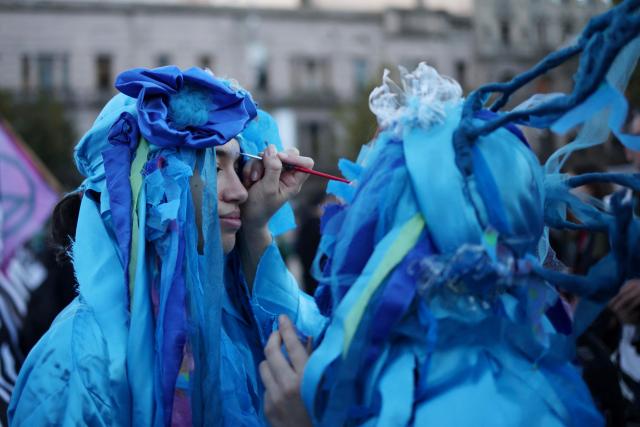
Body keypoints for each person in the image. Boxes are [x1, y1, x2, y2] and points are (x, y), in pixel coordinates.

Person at [259, 2, 640, 426]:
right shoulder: (497, 346)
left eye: (378, 183)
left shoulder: (477, 399)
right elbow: (300, 323)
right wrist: (257, 230)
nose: (353, 205)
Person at [8, 66, 324, 426]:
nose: (239, 192)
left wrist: (256, 228)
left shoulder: (223, 317)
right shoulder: (76, 363)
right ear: (154, 185)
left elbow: (314, 359)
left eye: (237, 167)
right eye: (214, 168)